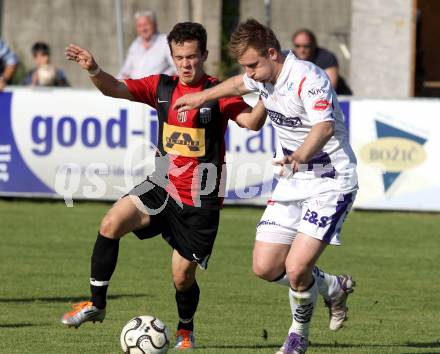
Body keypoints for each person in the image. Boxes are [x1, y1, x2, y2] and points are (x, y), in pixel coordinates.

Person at [61, 22, 266, 350]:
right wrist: (94, 69)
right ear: (171, 56)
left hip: (200, 199)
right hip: (161, 184)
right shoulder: (161, 87)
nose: (186, 64)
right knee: (110, 223)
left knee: (182, 278)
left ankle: (186, 328)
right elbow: (113, 88)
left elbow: (253, 122)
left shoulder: (218, 94)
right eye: (179, 57)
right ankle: (96, 304)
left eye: (193, 57)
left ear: (204, 55)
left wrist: (270, 91)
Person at [173, 19, 358, 354]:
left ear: (273, 53)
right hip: (291, 181)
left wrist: (300, 154)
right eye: (246, 66)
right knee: (265, 267)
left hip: (330, 180)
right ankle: (332, 286)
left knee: (297, 268)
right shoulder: (262, 76)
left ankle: (297, 336)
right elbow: (235, 85)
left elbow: (326, 127)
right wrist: (202, 96)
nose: (251, 73)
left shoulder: (308, 77)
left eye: (254, 65)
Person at [291, 29, 352, 95]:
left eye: (306, 46)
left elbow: (329, 88)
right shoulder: (289, 57)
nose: (302, 50)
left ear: (314, 45)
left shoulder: (326, 58)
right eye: (298, 46)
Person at [118, 11, 176, 79]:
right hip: (134, 87)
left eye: (146, 25)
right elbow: (124, 72)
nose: (143, 29)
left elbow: (177, 67)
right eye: (139, 26)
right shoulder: (135, 44)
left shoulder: (165, 41)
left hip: (158, 87)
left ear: (154, 25)